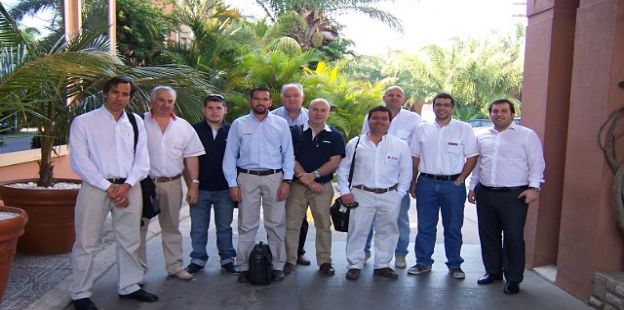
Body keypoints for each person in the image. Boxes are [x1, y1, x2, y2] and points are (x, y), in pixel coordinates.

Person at [69, 76, 158, 310]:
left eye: (125, 94)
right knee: (86, 242)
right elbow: (80, 162)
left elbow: (142, 159)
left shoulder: (135, 121)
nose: (120, 98)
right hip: (95, 187)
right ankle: (80, 293)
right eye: (116, 93)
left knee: (130, 239)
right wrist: (109, 187)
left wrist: (127, 185)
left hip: (130, 187)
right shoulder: (83, 122)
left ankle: (129, 286)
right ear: (105, 93)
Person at [467, 99, 545, 295]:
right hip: (485, 193)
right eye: (495, 111)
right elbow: (478, 163)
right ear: (489, 114)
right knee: (488, 235)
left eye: (503, 111)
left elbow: (537, 162)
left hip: (514, 195)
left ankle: (513, 278)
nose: (499, 114)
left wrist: (534, 188)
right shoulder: (482, 136)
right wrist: (472, 187)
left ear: (512, 113)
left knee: (513, 237)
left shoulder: (526, 135)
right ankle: (493, 272)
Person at [223, 86, 295, 282]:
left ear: (270, 102)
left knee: (276, 223)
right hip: (247, 177)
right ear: (251, 101)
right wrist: (232, 184)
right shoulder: (239, 124)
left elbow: (288, 154)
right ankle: (244, 266)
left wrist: (287, 180)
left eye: (265, 99)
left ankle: (278, 265)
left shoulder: (280, 124)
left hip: (275, 177)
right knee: (246, 224)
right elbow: (230, 155)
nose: (260, 102)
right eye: (257, 99)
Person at [137, 86, 205, 281]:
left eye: (170, 101)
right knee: (139, 229)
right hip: (144, 186)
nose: (166, 104)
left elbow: (191, 157)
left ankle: (174, 266)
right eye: (161, 100)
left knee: (171, 227)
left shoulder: (183, 126)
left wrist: (193, 184)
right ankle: (138, 272)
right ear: (151, 101)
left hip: (172, 183)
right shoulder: (138, 123)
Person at [338, 106, 412, 281]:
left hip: (390, 195)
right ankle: (354, 264)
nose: (379, 122)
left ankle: (383, 265)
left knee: (388, 231)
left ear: (389, 122)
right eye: (375, 118)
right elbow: (343, 169)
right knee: (357, 230)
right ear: (368, 120)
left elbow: (406, 172)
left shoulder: (400, 145)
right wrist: (344, 192)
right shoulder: (355, 143)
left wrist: (399, 194)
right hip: (361, 194)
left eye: (383, 118)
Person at [409, 92, 478, 280]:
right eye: (438, 104)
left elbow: (472, 156)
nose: (442, 108)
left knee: (453, 226)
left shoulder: (463, 129)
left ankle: (455, 264)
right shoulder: (422, 130)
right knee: (425, 226)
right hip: (426, 183)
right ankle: (423, 262)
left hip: (452, 186)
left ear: (452, 107)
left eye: (446, 105)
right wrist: (413, 181)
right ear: (433, 107)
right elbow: (414, 157)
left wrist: (461, 179)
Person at [283, 98, 345, 276]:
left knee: (324, 225)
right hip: (297, 186)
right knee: (292, 224)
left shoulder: (335, 135)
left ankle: (325, 261)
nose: (318, 113)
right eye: (315, 109)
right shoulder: (294, 132)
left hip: (323, 187)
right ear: (308, 111)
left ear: (328, 113)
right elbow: (290, 157)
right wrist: (308, 180)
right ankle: (290, 260)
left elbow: (335, 161)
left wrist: (315, 176)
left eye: (323, 110)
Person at [362, 86, 422, 269]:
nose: (394, 98)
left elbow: (416, 151)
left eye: (398, 95)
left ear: (403, 99)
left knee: (400, 218)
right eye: (391, 95)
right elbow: (364, 141)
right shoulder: (372, 116)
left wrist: (412, 180)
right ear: (384, 97)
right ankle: (364, 251)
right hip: (373, 178)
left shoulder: (414, 119)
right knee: (368, 217)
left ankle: (400, 254)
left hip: (399, 180)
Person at [185, 94, 239, 274]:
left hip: (225, 189)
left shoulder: (233, 131)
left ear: (225, 110)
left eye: (219, 108)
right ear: (204, 110)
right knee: (198, 227)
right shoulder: (194, 131)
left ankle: (227, 258)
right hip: (200, 189)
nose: (214, 112)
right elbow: (188, 160)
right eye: (210, 108)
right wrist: (191, 186)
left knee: (224, 227)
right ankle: (198, 259)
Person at [271, 83, 312, 266]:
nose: (292, 99)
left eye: (296, 95)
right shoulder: (272, 117)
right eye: (287, 96)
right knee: (276, 216)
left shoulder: (311, 117)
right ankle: (277, 253)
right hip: (277, 173)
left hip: (302, 175)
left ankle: (298, 251)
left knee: (300, 217)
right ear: (281, 98)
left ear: (302, 97)